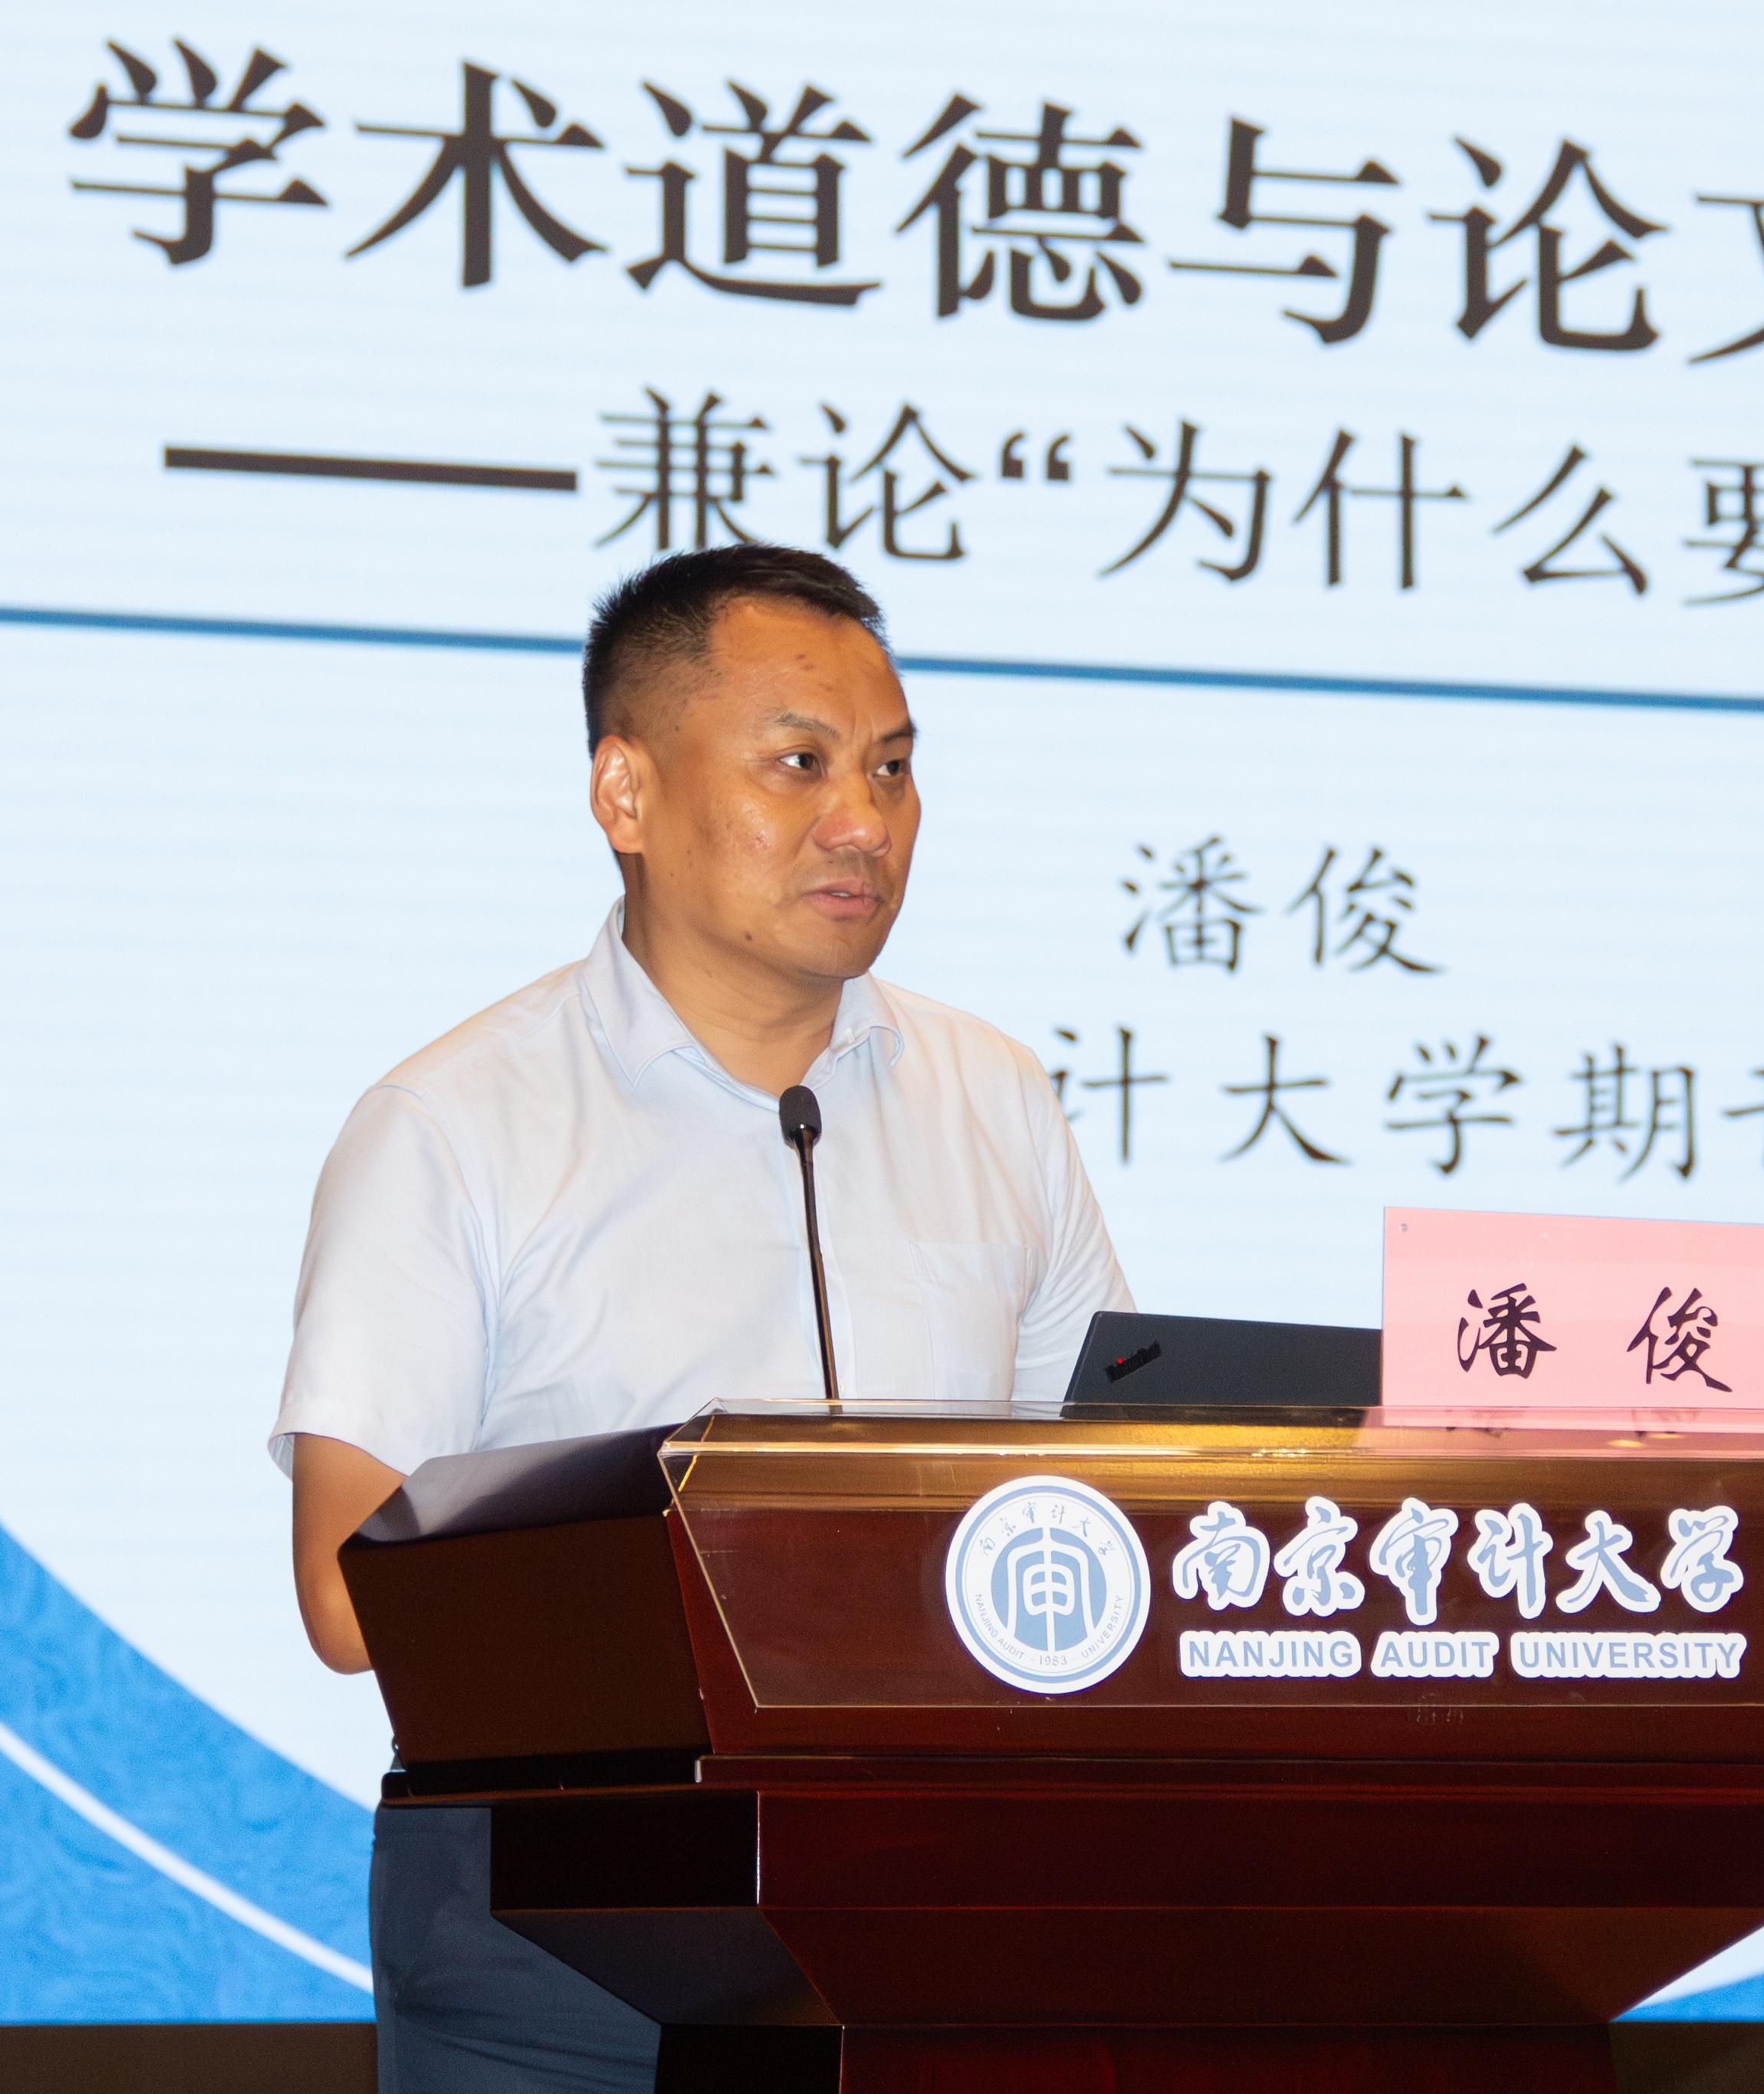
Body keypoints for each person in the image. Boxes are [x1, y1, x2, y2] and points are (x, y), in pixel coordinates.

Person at [268, 544, 1133, 2090]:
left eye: (890, 767)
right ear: (626, 792)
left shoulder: (993, 1095)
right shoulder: (454, 1125)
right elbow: (349, 1592)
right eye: (799, 764)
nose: (862, 820)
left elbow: (1119, 1484)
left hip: (937, 1894)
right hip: (567, 1925)